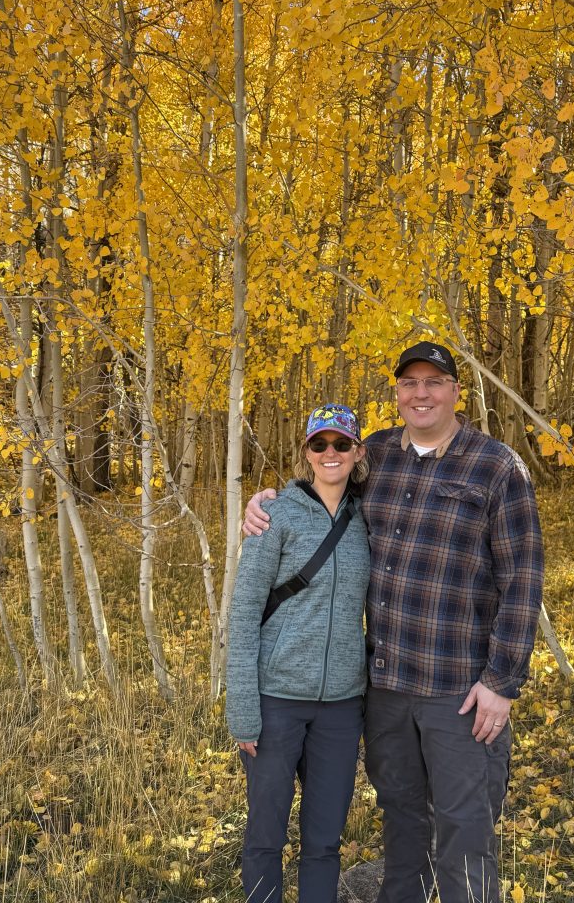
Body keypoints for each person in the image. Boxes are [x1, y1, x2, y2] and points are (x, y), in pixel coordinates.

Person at [243, 342, 544, 903]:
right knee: (402, 823)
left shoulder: (496, 467)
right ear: (398, 393)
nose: (421, 393)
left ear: (457, 391)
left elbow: (523, 581)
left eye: (435, 381)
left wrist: (501, 684)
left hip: (459, 692)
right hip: (386, 688)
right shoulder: (376, 455)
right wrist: (266, 505)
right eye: (410, 383)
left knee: (464, 832)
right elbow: (321, 487)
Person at [227, 403, 371, 903]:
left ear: (357, 451)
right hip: (275, 702)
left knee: (324, 840)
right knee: (266, 835)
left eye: (341, 444)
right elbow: (244, 614)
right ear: (306, 452)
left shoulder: (368, 515)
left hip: (340, 707)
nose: (330, 453)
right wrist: (243, 709)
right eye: (320, 444)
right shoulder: (275, 515)